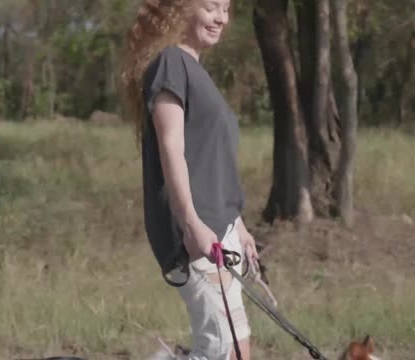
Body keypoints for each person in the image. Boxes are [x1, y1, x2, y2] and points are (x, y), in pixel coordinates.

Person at [117, 0, 259, 359]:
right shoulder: (171, 63)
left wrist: (237, 227)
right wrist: (191, 222)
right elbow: (171, 148)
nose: (221, 18)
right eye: (211, 7)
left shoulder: (195, 71)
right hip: (196, 230)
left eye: (226, 9)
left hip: (219, 225)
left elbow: (208, 163)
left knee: (237, 346)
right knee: (219, 349)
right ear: (181, 8)